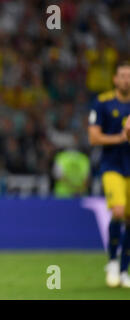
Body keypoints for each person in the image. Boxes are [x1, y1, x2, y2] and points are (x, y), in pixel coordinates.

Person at [88, 61, 130, 288]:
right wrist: (120, 138)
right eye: (122, 75)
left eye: (129, 76)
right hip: (112, 166)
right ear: (115, 79)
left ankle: (124, 271)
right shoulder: (103, 103)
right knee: (119, 211)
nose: (126, 79)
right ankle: (112, 261)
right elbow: (94, 138)